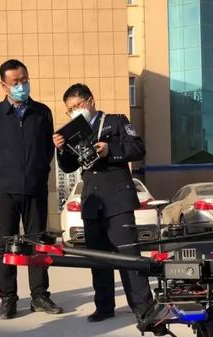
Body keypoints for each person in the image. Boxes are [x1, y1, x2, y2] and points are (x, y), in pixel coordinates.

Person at [53, 84, 153, 322]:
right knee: (98, 259)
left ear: (90, 101)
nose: (75, 111)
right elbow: (68, 167)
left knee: (129, 257)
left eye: (78, 105)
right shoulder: (73, 132)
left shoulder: (116, 121)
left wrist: (111, 149)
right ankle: (104, 307)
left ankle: (144, 308)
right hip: (92, 201)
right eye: (70, 109)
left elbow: (138, 148)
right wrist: (61, 149)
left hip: (118, 199)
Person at [0, 59, 63, 319]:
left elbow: (47, 150)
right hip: (4, 190)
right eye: (16, 82)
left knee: (38, 244)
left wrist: (37, 172)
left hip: (35, 189)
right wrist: (5, 174)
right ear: (3, 85)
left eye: (24, 80)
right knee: (6, 245)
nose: (21, 85)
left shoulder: (42, 112)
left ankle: (40, 296)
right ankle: (8, 299)